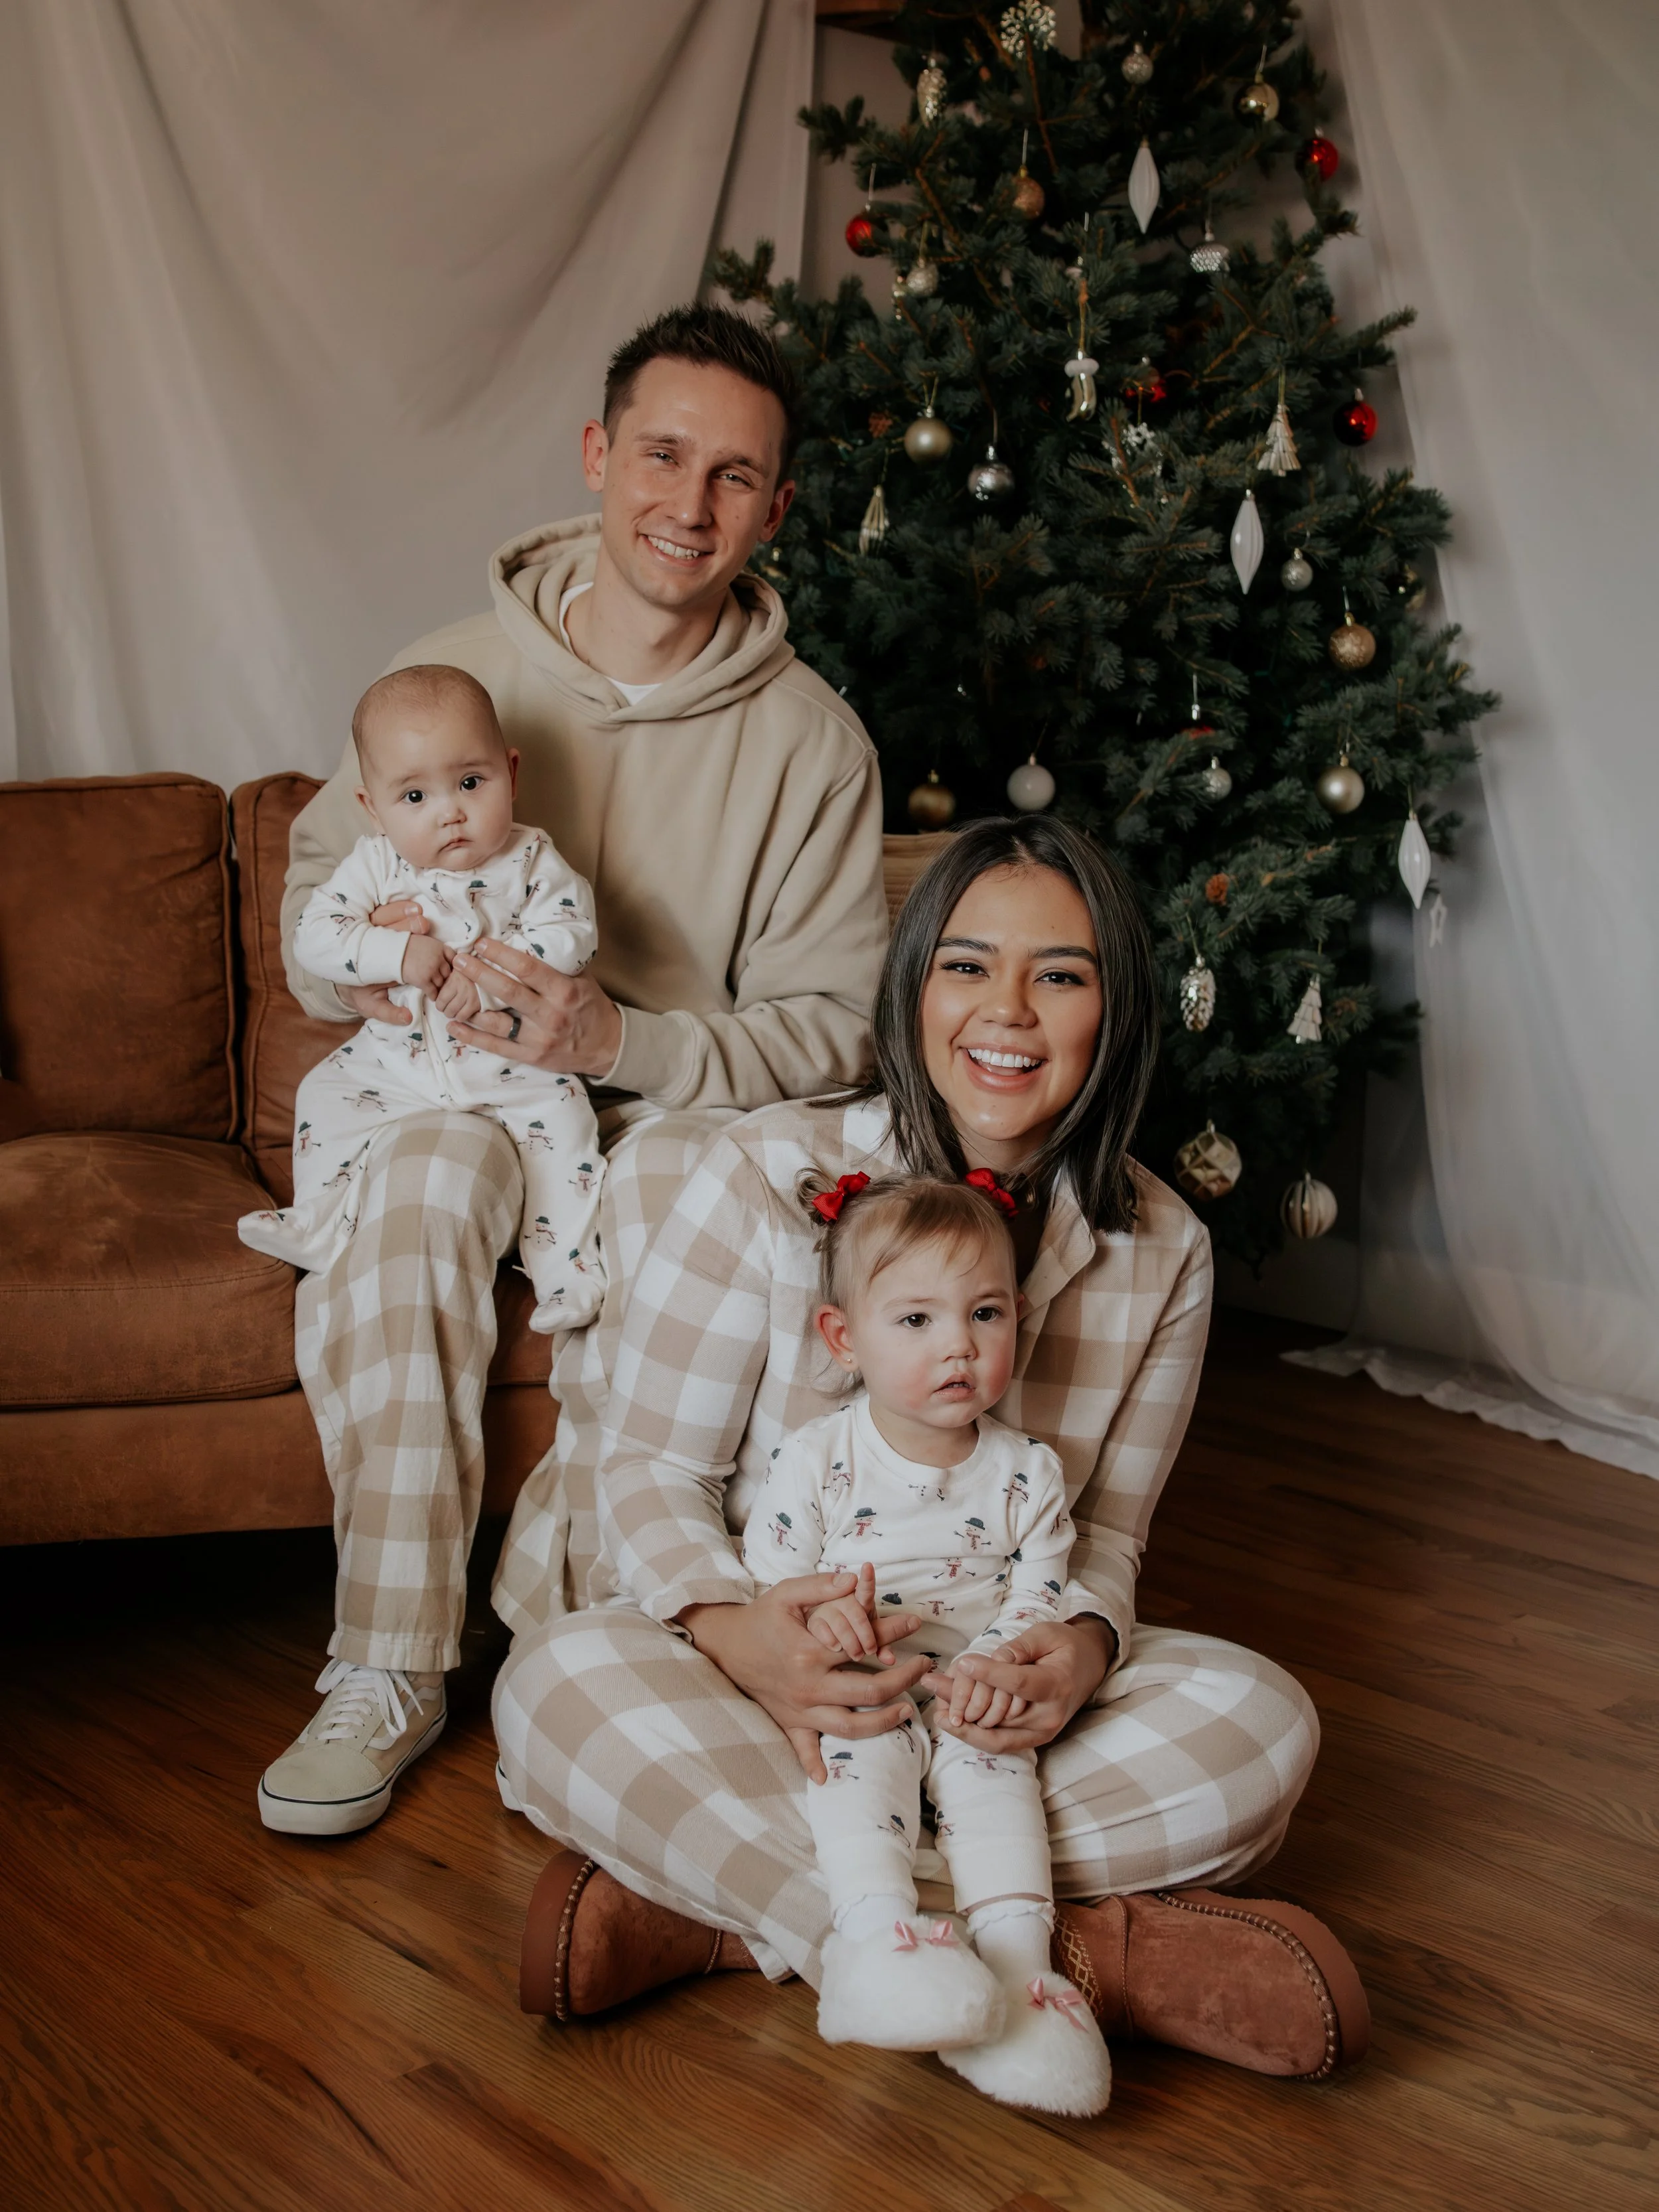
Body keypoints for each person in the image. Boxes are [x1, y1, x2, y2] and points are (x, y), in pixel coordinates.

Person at [499, 816, 1372, 2083]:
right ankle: (1060, 1969)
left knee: (1261, 1731)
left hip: (989, 1704)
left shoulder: (1163, 1247)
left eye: (1060, 974)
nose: (1006, 1010)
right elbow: (650, 1474)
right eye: (966, 965)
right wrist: (744, 1635)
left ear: (1114, 1009)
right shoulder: (764, 1167)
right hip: (770, 1673)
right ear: (913, 986)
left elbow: (1111, 1535)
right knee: (556, 1691)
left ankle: (724, 1918)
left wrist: (1076, 1652)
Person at [256, 304, 889, 1837]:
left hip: (672, 1111)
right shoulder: (447, 680)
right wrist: (394, 970)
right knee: (418, 1189)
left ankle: (577, 1644)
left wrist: (618, 1042)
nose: (690, 504)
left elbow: (833, 1025)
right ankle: (389, 1664)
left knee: (677, 1214)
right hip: (452, 1093)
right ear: (599, 456)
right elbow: (306, 930)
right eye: (663, 454)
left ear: (777, 508)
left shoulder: (814, 746)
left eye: (736, 477)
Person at [744, 1170, 1113, 2118]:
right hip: (864, 1682)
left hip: (971, 1690)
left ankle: (1024, 1980)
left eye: (985, 1313)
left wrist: (996, 1664)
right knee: (856, 1770)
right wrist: (820, 1611)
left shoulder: (1026, 1473)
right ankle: (880, 1937)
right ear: (845, 1339)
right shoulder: (819, 1457)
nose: (959, 1345)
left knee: (999, 1782)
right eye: (916, 1321)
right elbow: (773, 1574)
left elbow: (1043, 1587)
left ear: (1016, 1319)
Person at [239, 665, 607, 1351]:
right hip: (396, 1069)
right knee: (324, 1091)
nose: (450, 811)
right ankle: (317, 1220)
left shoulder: (531, 859)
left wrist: (494, 975)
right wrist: (389, 953)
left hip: (513, 1069)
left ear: (511, 773)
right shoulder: (374, 866)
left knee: (566, 1133)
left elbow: (572, 933)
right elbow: (314, 937)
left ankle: (566, 1273)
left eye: (471, 783)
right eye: (414, 795)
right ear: (373, 808)